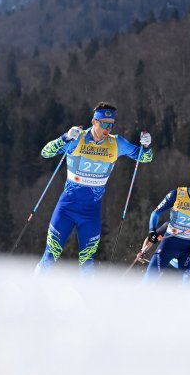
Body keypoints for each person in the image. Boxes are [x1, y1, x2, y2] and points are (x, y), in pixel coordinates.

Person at [36, 102, 153, 273]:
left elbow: (145, 158)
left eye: (111, 124)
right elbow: (46, 152)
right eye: (104, 123)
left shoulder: (116, 143)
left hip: (90, 213)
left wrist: (147, 146)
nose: (108, 128)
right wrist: (65, 138)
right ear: (94, 122)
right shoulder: (78, 138)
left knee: (87, 262)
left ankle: (87, 297)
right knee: (50, 255)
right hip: (67, 208)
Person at [143, 168, 190, 280]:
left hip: (189, 248)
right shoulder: (176, 195)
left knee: (188, 286)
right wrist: (151, 230)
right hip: (169, 244)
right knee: (149, 279)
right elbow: (155, 213)